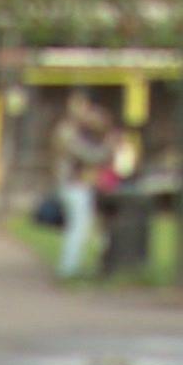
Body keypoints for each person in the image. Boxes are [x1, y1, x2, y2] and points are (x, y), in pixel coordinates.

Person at [51, 92, 118, 279]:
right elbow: (87, 155)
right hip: (73, 185)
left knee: (90, 227)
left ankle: (89, 265)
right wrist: (107, 148)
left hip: (79, 184)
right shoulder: (67, 132)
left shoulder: (78, 131)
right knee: (79, 227)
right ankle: (68, 268)